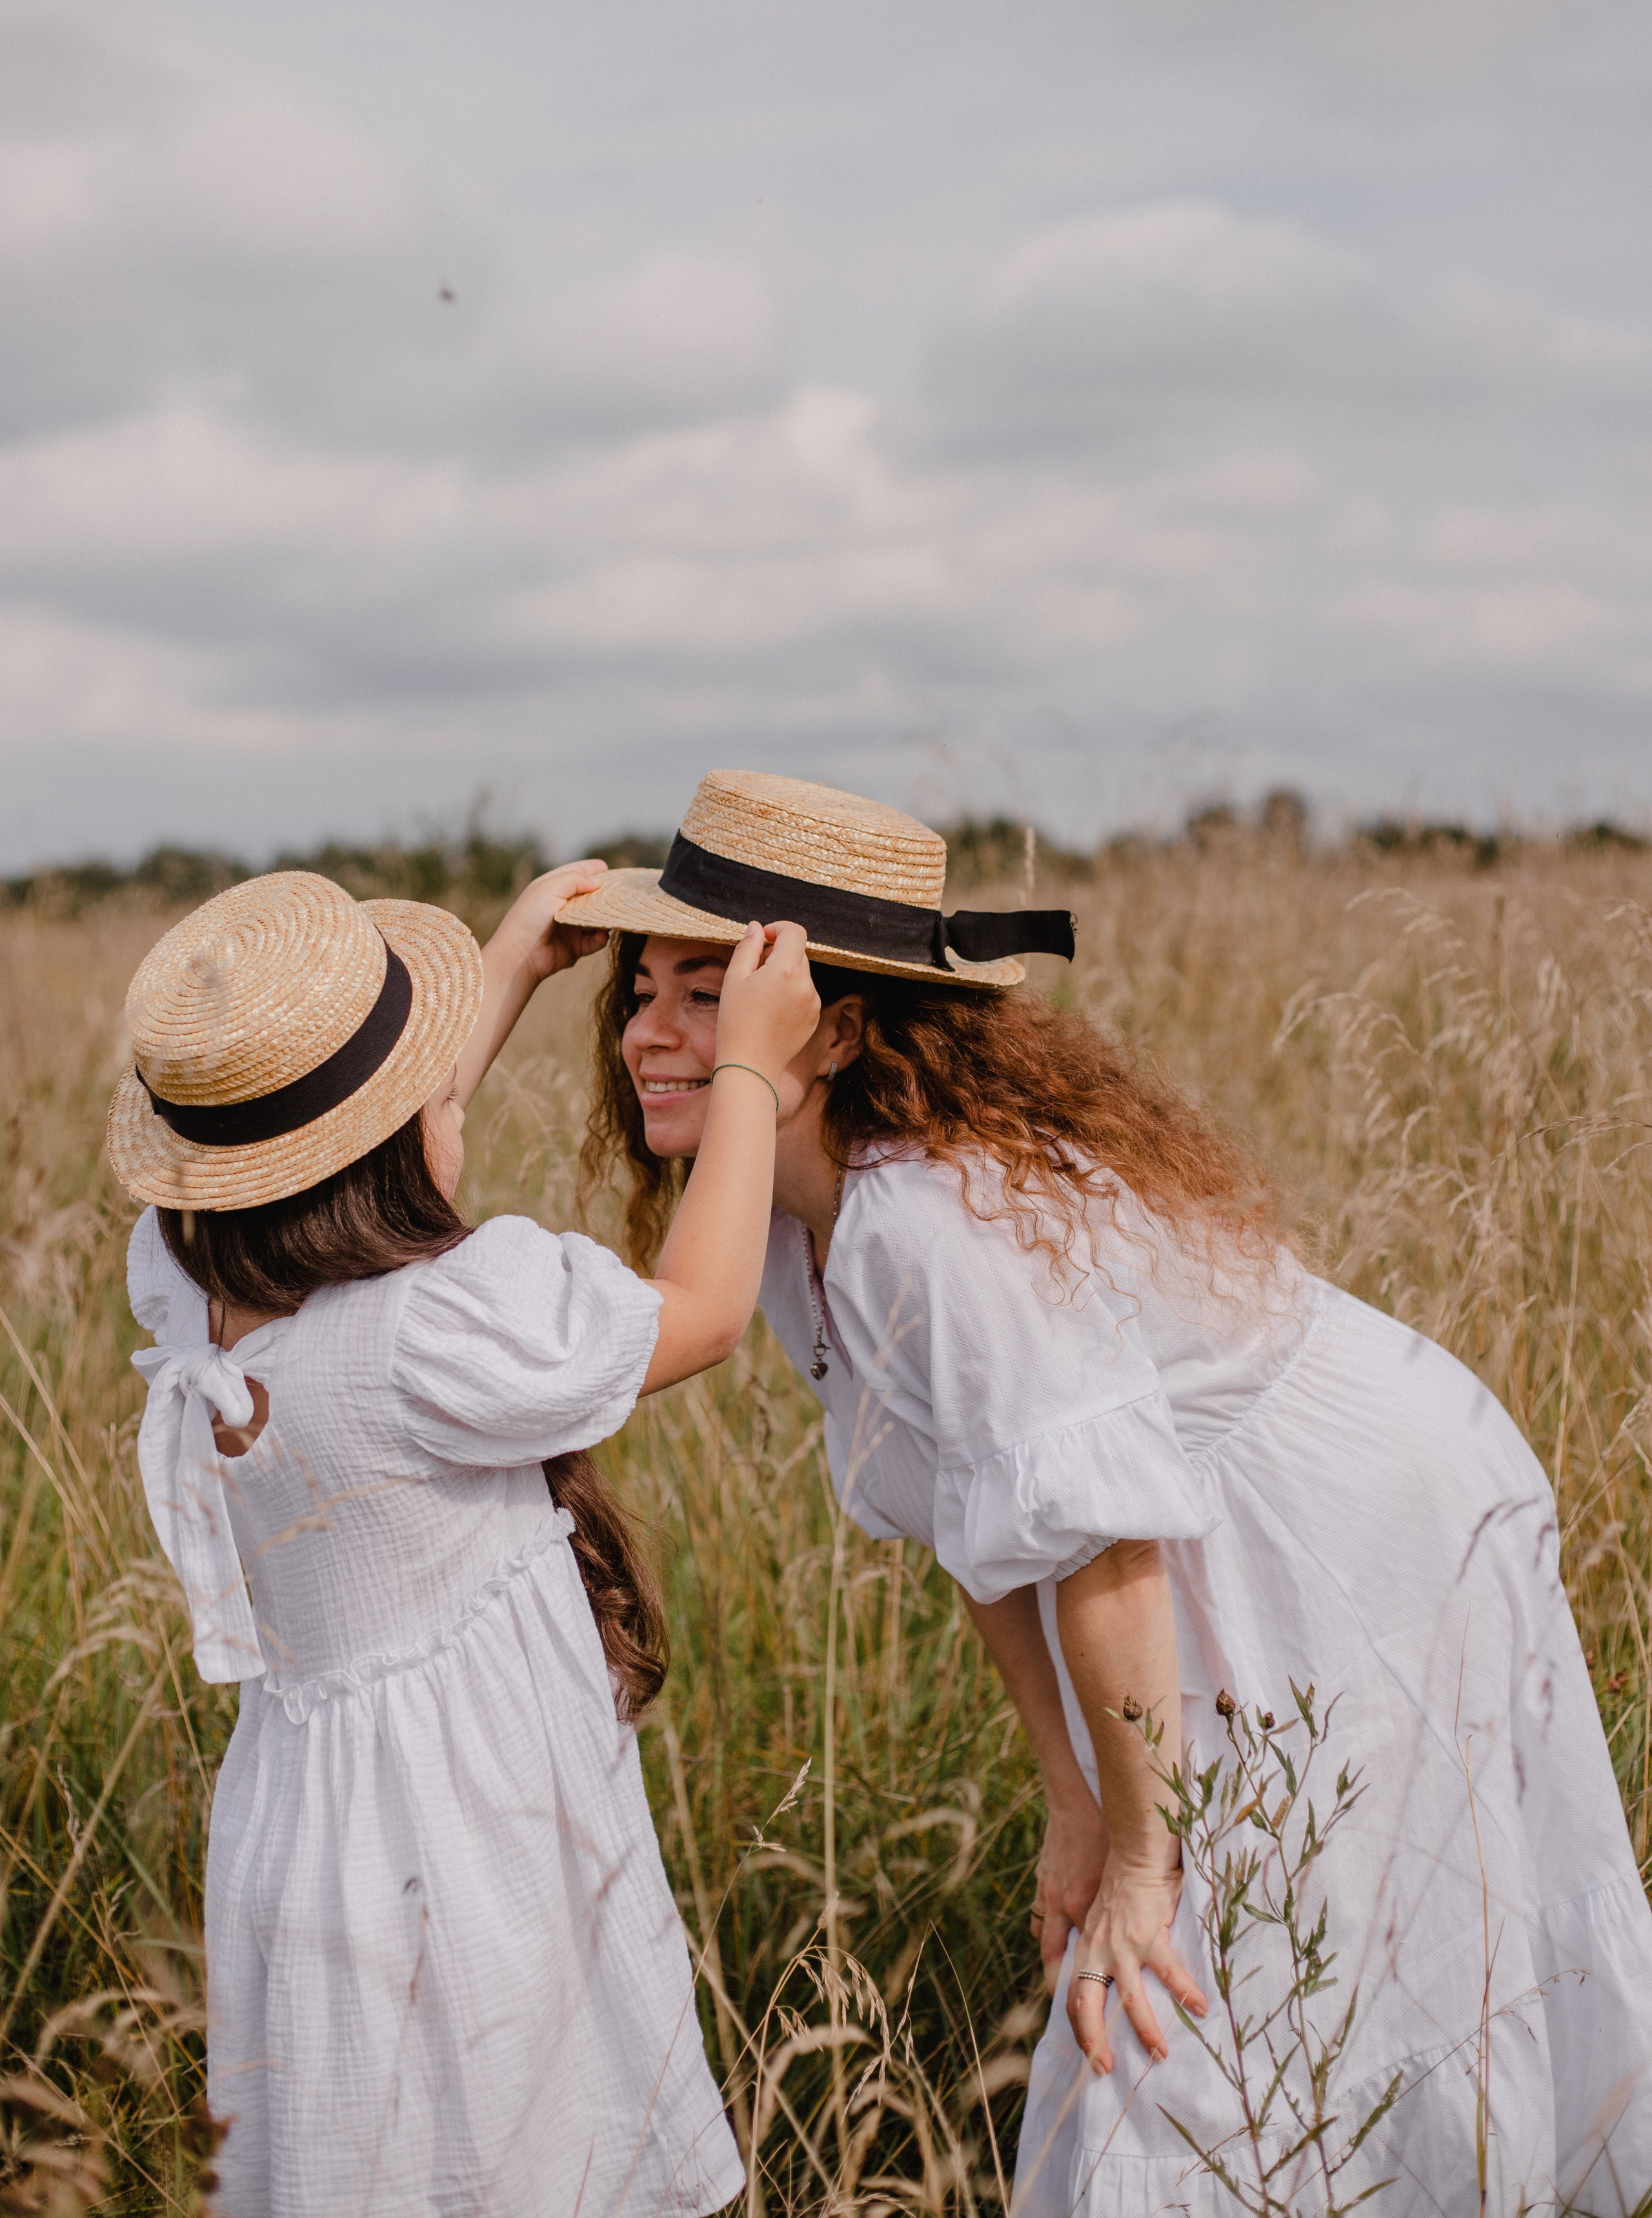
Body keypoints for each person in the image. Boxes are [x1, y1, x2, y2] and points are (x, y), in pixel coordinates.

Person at [565, 767, 1652, 2217]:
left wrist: (1139, 1852)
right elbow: (986, 1524)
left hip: (1345, 1511)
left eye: (704, 994)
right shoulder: (785, 1222)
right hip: (1171, 1529)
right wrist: (1071, 1795)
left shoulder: (928, 1226)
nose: (643, 1030)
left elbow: (1098, 1541)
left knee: (1235, 1931)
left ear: (823, 1026)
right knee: (1192, 1914)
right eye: (639, 989)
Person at [110, 857, 821, 2218]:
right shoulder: (437, 1329)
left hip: (300, 1830)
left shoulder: (189, 1280)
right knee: (514, 2138)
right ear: (393, 1145)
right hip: (468, 1841)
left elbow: (380, 1138)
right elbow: (706, 1306)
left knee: (362, 2147)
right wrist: (748, 1068)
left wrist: (505, 966)